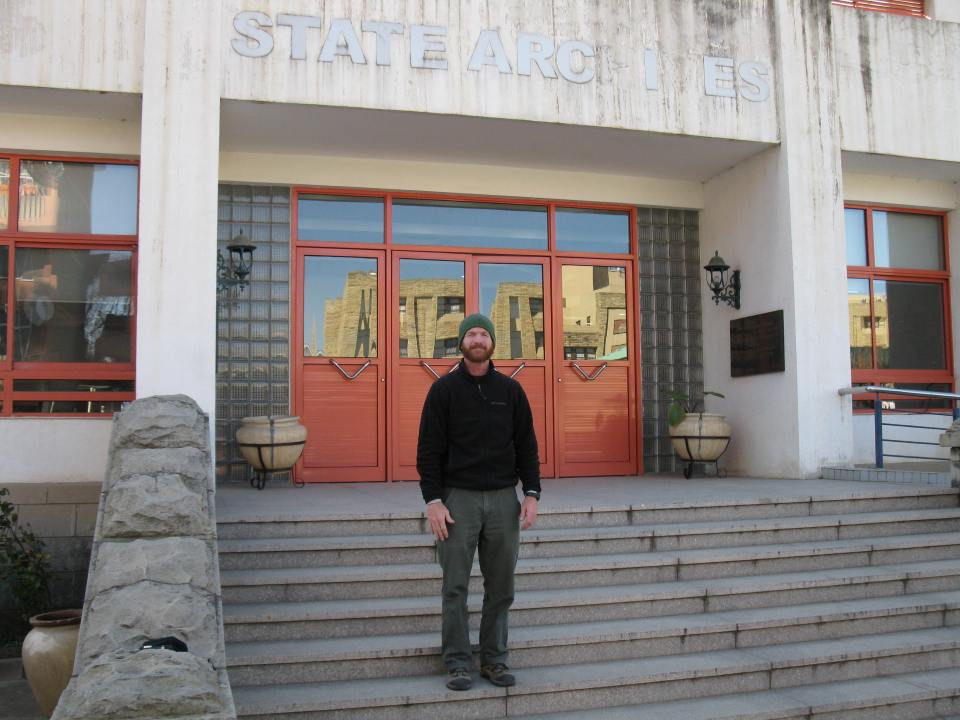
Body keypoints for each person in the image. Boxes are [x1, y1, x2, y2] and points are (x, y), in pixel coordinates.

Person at [417, 313, 541, 691]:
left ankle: (494, 660)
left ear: (491, 343)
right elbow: (429, 451)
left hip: (504, 499)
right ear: (461, 342)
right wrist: (434, 500)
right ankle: (457, 662)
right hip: (459, 501)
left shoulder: (511, 391)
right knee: (455, 585)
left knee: (501, 586)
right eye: (470, 333)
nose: (477, 339)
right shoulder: (443, 391)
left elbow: (527, 447)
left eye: (483, 333)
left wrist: (532, 493)